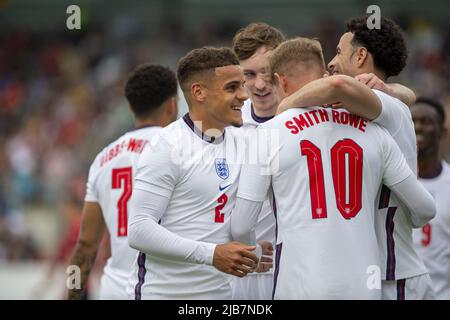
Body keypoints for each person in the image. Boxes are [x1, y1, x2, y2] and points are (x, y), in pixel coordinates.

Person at [231, 37, 435, 299]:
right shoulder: (374, 131)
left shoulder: (268, 132)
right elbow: (425, 209)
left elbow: (241, 225)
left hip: (298, 286)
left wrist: (253, 251)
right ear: (324, 75)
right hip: (364, 287)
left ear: (280, 81)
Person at [126, 47, 259, 300]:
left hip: (220, 295)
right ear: (198, 92)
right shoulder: (167, 145)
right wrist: (212, 254)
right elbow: (139, 229)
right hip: (165, 295)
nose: (244, 95)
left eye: (243, 85)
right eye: (232, 88)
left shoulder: (244, 142)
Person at [66, 64, 179, 299]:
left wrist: (71, 296)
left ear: (129, 106)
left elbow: (85, 246)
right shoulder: (181, 149)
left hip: (115, 289)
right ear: (172, 103)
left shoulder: (102, 159)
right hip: (165, 289)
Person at [230, 22, 285, 300]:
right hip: (238, 276)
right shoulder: (225, 128)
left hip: (295, 272)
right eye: (249, 75)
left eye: (266, 73)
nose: (260, 84)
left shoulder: (310, 119)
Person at [412, 97, 450, 299]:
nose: (417, 127)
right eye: (412, 121)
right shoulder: (389, 181)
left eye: (426, 121)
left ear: (442, 132)